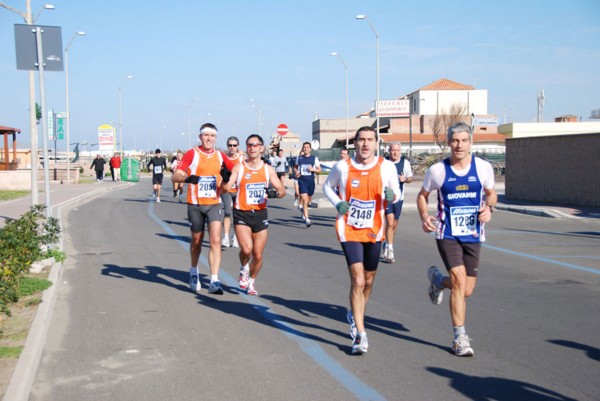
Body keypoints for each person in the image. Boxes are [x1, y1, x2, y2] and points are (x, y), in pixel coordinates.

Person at [416, 122, 497, 357]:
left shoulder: (483, 168)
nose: (459, 145)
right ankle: (459, 337)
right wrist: (424, 216)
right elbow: (423, 196)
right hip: (447, 232)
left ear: (471, 142)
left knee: (467, 289)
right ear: (449, 142)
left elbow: (492, 195)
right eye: (455, 140)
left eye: (464, 140)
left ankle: (438, 282)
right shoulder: (438, 171)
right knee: (460, 282)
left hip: (473, 233)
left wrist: (489, 209)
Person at [323, 126, 400, 355]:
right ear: (354, 143)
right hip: (349, 229)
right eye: (361, 140)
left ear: (377, 143)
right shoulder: (342, 167)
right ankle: (360, 334)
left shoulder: (386, 167)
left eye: (370, 140)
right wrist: (338, 203)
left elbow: (396, 191)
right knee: (357, 280)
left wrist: (392, 196)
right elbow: (328, 186)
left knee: (368, 280)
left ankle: (356, 314)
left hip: (374, 230)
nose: (365, 144)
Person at [171, 123, 237, 295]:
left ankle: (214, 280)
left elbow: (237, 170)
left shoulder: (221, 155)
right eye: (206, 135)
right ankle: (194, 271)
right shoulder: (193, 153)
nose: (209, 139)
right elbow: (175, 175)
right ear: (200, 137)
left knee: (215, 240)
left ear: (216, 138)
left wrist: (229, 178)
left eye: (212, 136)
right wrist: (187, 178)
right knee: (196, 242)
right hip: (195, 204)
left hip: (215, 203)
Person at [223, 134, 285, 296]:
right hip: (242, 213)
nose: (252, 148)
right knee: (247, 249)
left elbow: (282, 190)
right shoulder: (240, 168)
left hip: (260, 214)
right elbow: (226, 187)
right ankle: (244, 268)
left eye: (255, 145)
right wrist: (224, 181)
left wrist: (274, 193)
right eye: (249, 145)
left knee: (257, 254)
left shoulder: (267, 169)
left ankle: (251, 281)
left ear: (262, 148)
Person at [382, 142, 413, 263]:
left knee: (394, 224)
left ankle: (387, 243)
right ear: (389, 151)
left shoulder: (404, 163)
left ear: (400, 151)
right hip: (387, 197)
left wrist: (404, 179)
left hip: (399, 198)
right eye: (393, 150)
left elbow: (410, 178)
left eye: (397, 150)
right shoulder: (384, 163)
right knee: (389, 222)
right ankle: (390, 250)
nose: (395, 153)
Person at [221, 136, 243, 249]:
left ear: (238, 146)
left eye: (234, 145)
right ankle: (225, 237)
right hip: (227, 190)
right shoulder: (223, 158)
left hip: (238, 190)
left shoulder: (242, 159)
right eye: (230, 145)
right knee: (228, 212)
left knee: (237, 214)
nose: (232, 147)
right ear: (227, 146)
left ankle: (235, 237)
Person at [295, 142, 321, 228]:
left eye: (307, 147)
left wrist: (312, 169)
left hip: (311, 182)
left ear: (310, 149)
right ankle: (307, 219)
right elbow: (295, 167)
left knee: (309, 200)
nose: (306, 148)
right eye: (304, 147)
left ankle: (303, 211)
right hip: (302, 182)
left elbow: (319, 170)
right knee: (305, 200)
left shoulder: (314, 159)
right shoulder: (299, 158)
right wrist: (297, 172)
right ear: (303, 149)